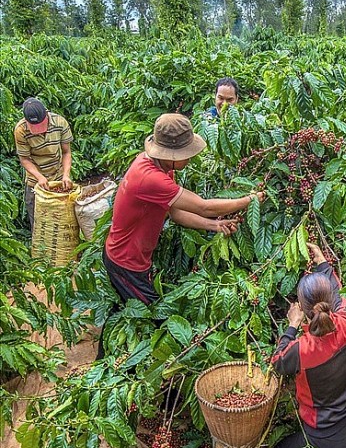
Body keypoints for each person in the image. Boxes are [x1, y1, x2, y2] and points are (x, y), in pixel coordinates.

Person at [98, 113, 264, 357]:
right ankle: (117, 369)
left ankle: (107, 360)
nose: (190, 156)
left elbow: (175, 213)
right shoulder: (150, 178)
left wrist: (215, 226)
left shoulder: (159, 166)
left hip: (134, 258)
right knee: (155, 317)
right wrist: (249, 200)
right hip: (125, 262)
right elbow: (203, 205)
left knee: (127, 307)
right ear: (172, 155)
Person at [269, 242, 346, 448]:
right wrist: (323, 261)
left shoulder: (303, 349)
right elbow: (337, 291)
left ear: (302, 309)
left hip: (321, 436)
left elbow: (277, 361)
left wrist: (292, 325)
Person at [13, 98, 74, 230]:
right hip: (35, 180)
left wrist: (66, 175)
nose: (39, 131)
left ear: (46, 114)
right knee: (38, 220)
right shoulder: (21, 130)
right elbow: (25, 159)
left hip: (57, 175)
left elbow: (66, 152)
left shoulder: (59, 122)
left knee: (64, 218)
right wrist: (39, 177)